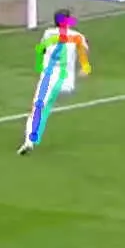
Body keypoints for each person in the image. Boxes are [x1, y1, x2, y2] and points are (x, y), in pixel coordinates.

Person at [19, 10, 91, 155]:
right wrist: (85, 67)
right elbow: (83, 50)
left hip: (48, 80)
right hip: (66, 84)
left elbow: (42, 50)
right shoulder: (77, 36)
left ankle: (29, 141)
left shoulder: (48, 33)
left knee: (36, 111)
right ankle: (30, 140)